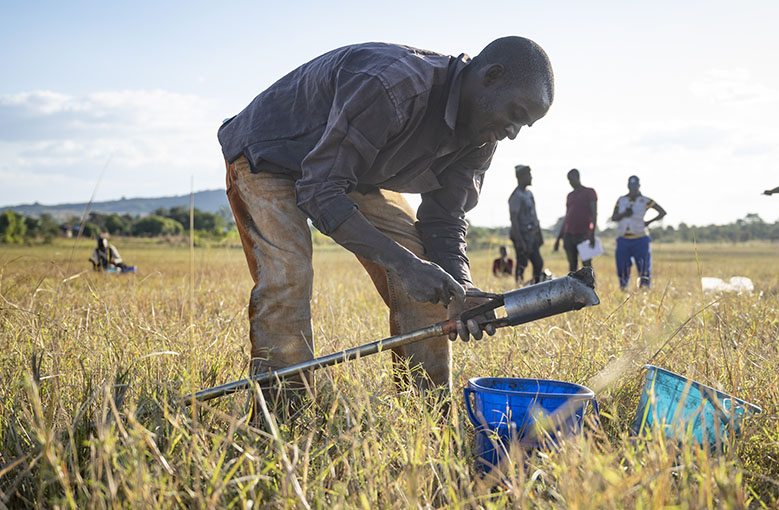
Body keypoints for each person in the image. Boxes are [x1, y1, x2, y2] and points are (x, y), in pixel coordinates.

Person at [217, 37, 554, 410]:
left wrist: (462, 288)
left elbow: (445, 220)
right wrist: (405, 265)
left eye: (524, 126)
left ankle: (426, 414)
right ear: (491, 76)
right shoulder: (394, 86)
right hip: (268, 156)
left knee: (433, 281)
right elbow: (319, 191)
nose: (513, 133)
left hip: (347, 175)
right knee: (289, 275)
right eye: (516, 114)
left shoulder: (481, 137)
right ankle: (283, 416)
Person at [611, 175, 666, 289]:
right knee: (622, 267)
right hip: (623, 239)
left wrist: (648, 222)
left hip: (640, 239)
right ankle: (624, 289)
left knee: (644, 268)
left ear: (639, 186)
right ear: (628, 186)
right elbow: (614, 217)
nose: (633, 189)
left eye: (635, 186)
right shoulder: (621, 200)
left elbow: (662, 212)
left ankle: (644, 291)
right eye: (631, 186)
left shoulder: (645, 200)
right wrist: (623, 214)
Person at [554, 169, 598, 272]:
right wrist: (559, 238)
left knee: (587, 266)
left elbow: (594, 213)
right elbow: (567, 216)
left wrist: (592, 234)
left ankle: (591, 287)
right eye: (569, 180)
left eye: (572, 179)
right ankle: (573, 288)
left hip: (583, 234)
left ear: (578, 177)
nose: (570, 183)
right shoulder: (570, 195)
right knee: (572, 266)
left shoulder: (589, 192)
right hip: (568, 235)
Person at [508, 165, 545, 285]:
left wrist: (539, 234)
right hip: (522, 235)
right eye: (528, 175)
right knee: (522, 264)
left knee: (538, 263)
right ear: (521, 177)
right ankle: (519, 290)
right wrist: (519, 241)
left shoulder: (529, 194)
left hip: (532, 235)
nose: (531, 177)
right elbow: (514, 219)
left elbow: (534, 215)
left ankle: (536, 288)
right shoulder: (516, 196)